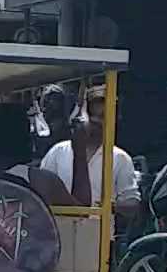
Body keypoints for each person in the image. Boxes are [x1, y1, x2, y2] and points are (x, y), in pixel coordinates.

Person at [37, 87, 140, 224]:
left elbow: (132, 204)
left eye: (103, 116)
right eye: (92, 115)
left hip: (99, 235)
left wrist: (108, 206)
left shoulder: (120, 158)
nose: (96, 121)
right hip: (58, 231)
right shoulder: (58, 151)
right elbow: (40, 192)